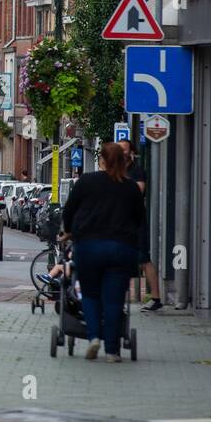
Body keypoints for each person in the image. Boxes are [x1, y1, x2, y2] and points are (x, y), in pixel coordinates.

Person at [60, 142, 146, 362]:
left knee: (89, 294)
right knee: (114, 300)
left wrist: (69, 231)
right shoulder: (131, 188)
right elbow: (139, 220)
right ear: (123, 161)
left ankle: (94, 337)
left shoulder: (86, 182)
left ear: (102, 161)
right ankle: (111, 351)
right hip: (121, 249)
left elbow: (69, 210)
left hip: (88, 247)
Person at [117, 138, 161, 312]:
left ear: (131, 153)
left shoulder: (136, 170)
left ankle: (156, 298)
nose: (122, 153)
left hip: (135, 221)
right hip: (119, 221)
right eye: (119, 150)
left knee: (143, 259)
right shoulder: (116, 170)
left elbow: (138, 191)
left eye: (125, 150)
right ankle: (120, 298)